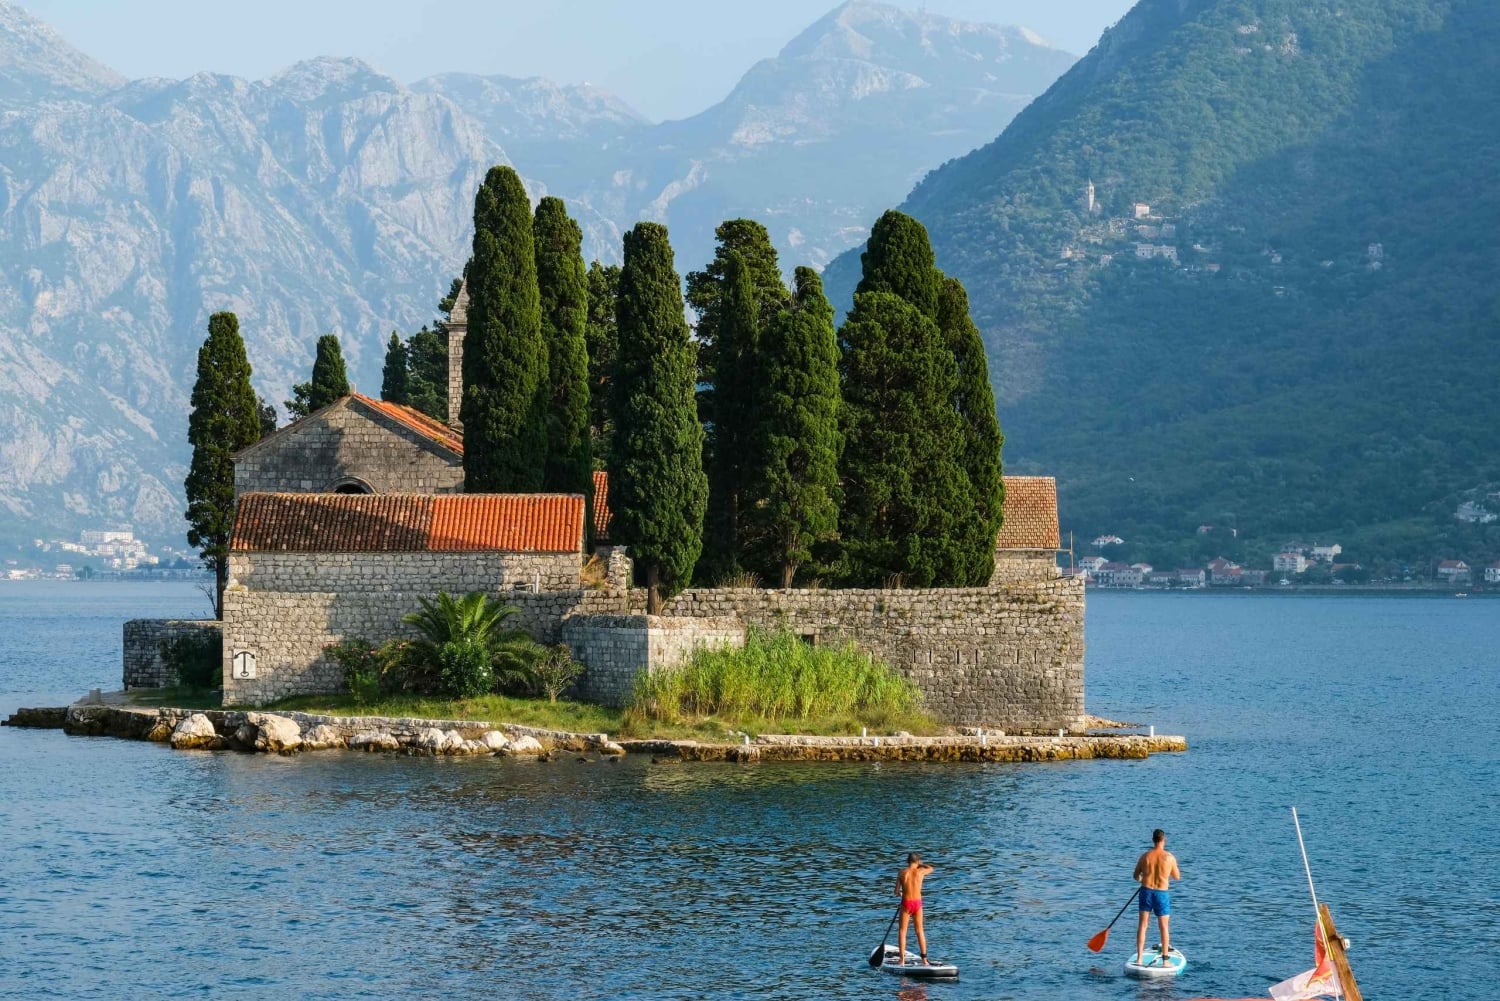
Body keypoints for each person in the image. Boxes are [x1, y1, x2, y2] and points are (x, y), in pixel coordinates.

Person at [1133, 828, 1182, 965]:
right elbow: (1177, 877)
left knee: (1143, 925)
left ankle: (1139, 958)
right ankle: (1165, 961)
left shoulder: (1145, 856)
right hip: (1161, 894)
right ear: (1164, 840)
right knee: (1164, 927)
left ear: (1153, 840)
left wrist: (1142, 879)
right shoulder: (1169, 857)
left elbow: (1136, 876)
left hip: (1146, 892)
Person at [895, 852, 934, 966]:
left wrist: (901, 894)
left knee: (902, 931)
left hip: (906, 903)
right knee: (919, 931)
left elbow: (896, 892)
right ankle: (924, 960)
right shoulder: (921, 871)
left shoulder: (901, 873)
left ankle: (901, 960)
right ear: (917, 861)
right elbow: (931, 868)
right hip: (917, 904)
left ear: (907, 861)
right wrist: (921, 864)